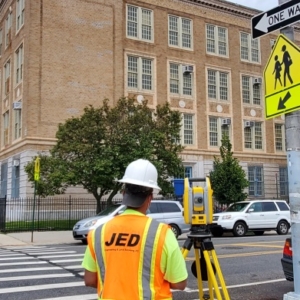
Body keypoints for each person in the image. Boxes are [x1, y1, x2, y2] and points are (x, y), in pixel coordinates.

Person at [82, 159, 188, 300]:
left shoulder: (98, 233)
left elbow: (89, 280)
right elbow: (179, 283)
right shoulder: (162, 234)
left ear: (123, 192)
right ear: (150, 198)